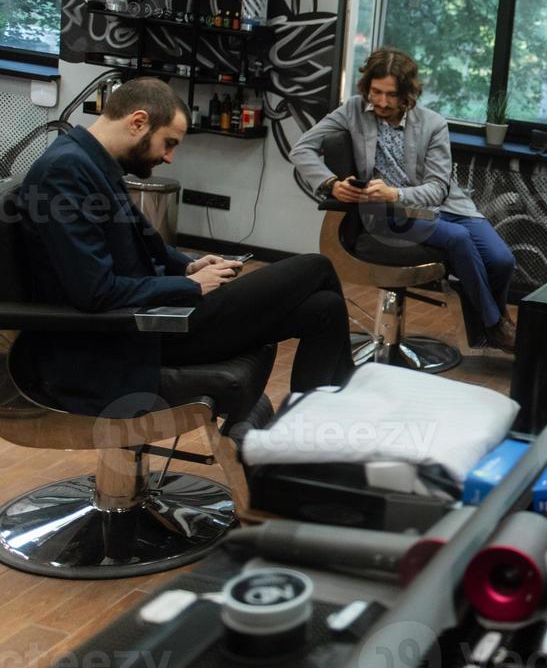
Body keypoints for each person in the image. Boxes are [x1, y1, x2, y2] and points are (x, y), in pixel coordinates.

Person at [17, 77, 353, 419]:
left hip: (152, 318)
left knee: (323, 309)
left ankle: (309, 427)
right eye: (169, 143)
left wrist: (186, 265)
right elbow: (95, 292)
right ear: (137, 122)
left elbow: (140, 242)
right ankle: (345, 413)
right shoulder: (67, 171)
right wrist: (191, 285)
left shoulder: (90, 162)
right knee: (315, 266)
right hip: (129, 334)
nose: (169, 157)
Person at [291, 47, 518, 352]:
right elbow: (301, 149)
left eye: (391, 94)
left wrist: (395, 192)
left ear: (407, 94)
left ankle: (494, 319)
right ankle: (494, 327)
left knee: (503, 260)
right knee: (459, 239)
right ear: (367, 88)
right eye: (376, 92)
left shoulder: (433, 124)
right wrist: (330, 183)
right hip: (391, 216)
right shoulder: (353, 111)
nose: (382, 102)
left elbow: (438, 189)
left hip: (444, 206)